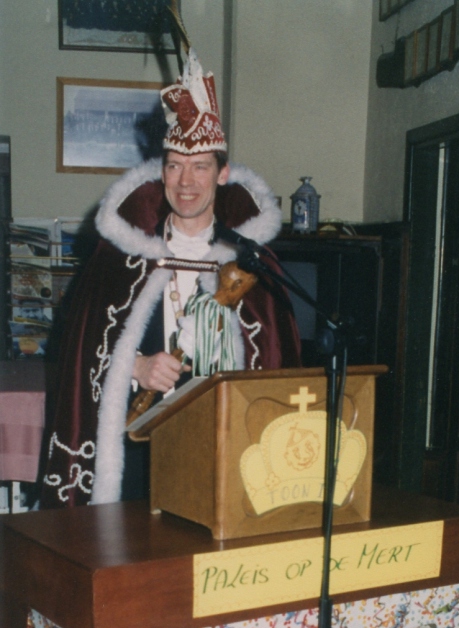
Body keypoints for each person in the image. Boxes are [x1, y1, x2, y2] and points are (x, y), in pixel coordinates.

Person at [40, 48, 301, 509]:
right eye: (175, 165)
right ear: (160, 172)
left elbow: (278, 361)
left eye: (200, 166)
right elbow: (77, 350)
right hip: (139, 447)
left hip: (220, 443)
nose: (186, 181)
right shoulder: (117, 259)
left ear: (222, 174)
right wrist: (135, 366)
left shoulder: (254, 264)